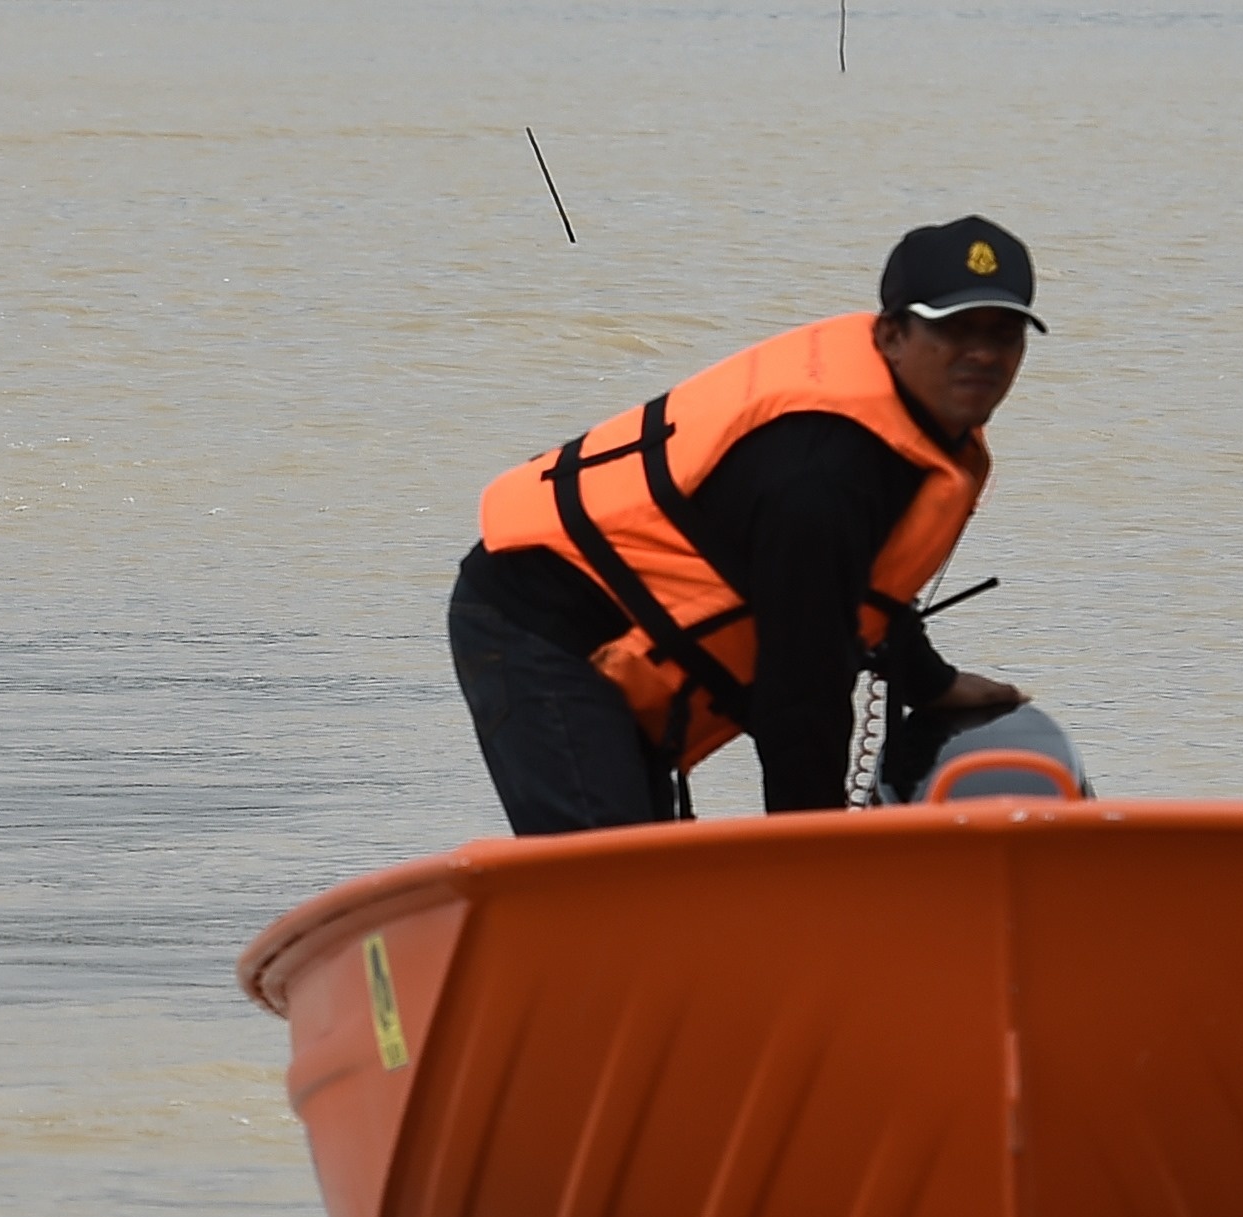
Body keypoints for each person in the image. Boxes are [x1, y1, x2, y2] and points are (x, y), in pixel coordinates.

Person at [446, 215, 1075, 834]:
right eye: (956, 330)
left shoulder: (905, 436)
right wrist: (814, 860)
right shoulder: (822, 477)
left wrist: (929, 683)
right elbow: (800, 695)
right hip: (536, 626)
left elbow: (856, 591)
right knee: (615, 886)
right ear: (889, 337)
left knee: (648, 875)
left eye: (1006, 334)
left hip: (621, 623)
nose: (984, 355)